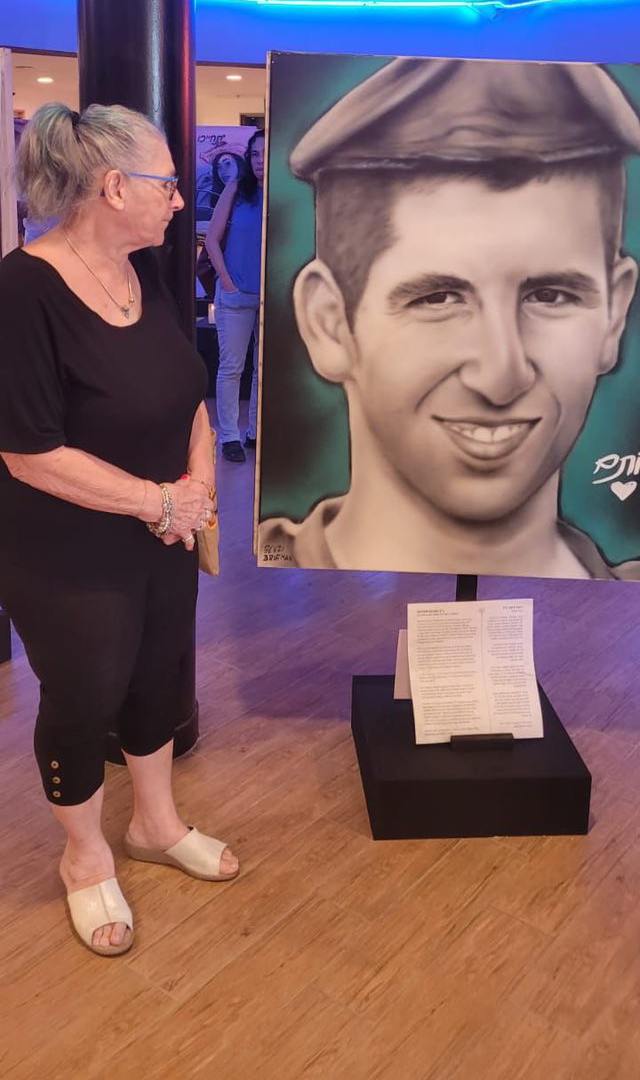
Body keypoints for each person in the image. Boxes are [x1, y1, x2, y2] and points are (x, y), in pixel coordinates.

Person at [0, 102, 239, 959]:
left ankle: (154, 824)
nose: (179, 200)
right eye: (167, 184)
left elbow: (189, 397)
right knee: (84, 693)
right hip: (66, 549)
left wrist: (198, 487)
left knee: (158, 674)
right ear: (112, 187)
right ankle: (84, 854)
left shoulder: (148, 273)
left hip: (163, 530)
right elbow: (29, 452)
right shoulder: (24, 289)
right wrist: (160, 503)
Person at [259, 56, 640, 579]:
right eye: (438, 299)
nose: (501, 375)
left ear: (615, 314)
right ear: (329, 323)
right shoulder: (269, 596)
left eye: (550, 296)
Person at [206, 130, 264, 462]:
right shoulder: (236, 188)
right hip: (236, 295)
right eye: (255, 154)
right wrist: (228, 283)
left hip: (269, 297)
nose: (260, 161)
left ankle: (255, 431)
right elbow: (212, 239)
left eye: (266, 154)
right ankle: (228, 435)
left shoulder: (285, 193)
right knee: (231, 367)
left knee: (262, 369)